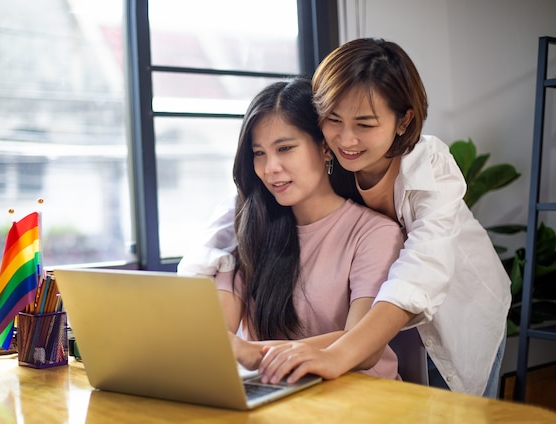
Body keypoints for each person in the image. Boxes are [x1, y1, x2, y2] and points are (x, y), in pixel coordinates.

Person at [179, 38, 512, 398]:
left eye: (365, 125)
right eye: (333, 120)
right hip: (376, 329)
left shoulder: (425, 167)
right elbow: (226, 227)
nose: (346, 139)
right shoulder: (306, 172)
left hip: (453, 309)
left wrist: (328, 354)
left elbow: (423, 269)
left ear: (403, 121)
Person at [208, 78, 405, 380]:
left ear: (326, 148)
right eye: (259, 153)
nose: (270, 167)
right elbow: (218, 335)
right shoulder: (248, 226)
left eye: (285, 148)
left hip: (361, 398)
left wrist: (258, 354)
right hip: (278, 392)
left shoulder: (375, 233)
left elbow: (364, 345)